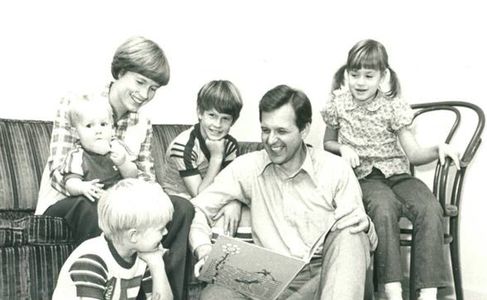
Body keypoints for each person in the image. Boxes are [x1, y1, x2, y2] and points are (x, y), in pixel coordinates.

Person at [35, 36, 194, 300]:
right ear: (120, 72)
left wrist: (134, 178)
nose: (145, 94)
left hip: (120, 201)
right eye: (140, 82)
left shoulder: (142, 121)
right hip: (71, 198)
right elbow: (57, 171)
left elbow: (146, 178)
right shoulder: (77, 103)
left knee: (181, 208)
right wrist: (99, 192)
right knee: (99, 205)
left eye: (153, 88)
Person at [189, 84, 378, 300]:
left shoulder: (336, 169)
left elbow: (355, 242)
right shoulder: (248, 167)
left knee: (351, 232)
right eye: (265, 130)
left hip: (323, 277)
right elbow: (198, 208)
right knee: (214, 296)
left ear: (304, 129)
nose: (271, 140)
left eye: (281, 131)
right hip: (267, 281)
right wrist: (203, 249)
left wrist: (366, 226)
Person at [320, 39, 460, 300]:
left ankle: (427, 294)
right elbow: (326, 142)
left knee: (430, 208)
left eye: (368, 75)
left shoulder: (392, 105)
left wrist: (438, 148)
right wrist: (341, 148)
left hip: (397, 175)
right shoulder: (338, 104)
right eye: (354, 74)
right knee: (382, 209)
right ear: (346, 73)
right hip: (365, 177)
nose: (360, 82)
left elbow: (415, 154)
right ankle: (392, 291)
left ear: (382, 76)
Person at [52, 178, 174, 300]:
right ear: (133, 236)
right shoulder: (92, 260)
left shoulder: (143, 255)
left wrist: (157, 265)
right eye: (161, 229)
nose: (166, 232)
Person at [43, 95, 135, 245]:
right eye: (89, 126)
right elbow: (70, 183)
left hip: (114, 201)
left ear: (112, 128)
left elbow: (132, 176)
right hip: (90, 201)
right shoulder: (77, 155)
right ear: (76, 133)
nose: (98, 131)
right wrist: (83, 187)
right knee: (91, 206)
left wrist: (123, 163)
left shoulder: (118, 148)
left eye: (103, 124)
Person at [162, 80, 249, 236]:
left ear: (233, 121)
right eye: (212, 115)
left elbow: (233, 183)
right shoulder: (183, 146)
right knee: (197, 213)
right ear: (200, 113)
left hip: (213, 196)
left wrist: (235, 202)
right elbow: (200, 196)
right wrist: (216, 157)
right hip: (177, 202)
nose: (217, 124)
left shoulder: (229, 144)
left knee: (245, 214)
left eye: (225, 118)